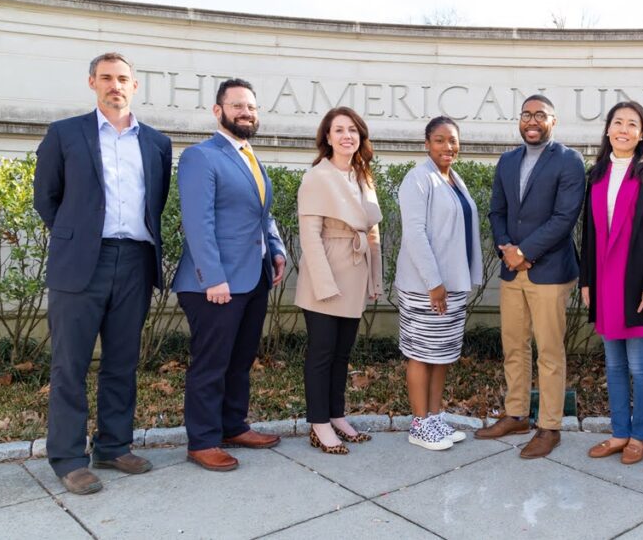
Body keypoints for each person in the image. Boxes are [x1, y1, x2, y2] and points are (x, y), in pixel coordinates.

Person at [33, 52, 172, 494]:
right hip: (80, 264)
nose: (116, 85)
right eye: (107, 78)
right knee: (70, 365)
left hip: (134, 260)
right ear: (92, 82)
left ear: (135, 86)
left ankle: (113, 446)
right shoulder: (65, 134)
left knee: (122, 362)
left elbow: (157, 200)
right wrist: (78, 236)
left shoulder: (155, 143)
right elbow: (46, 197)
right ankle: (69, 458)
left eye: (124, 79)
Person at [172, 78, 288, 471]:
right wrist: (212, 278)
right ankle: (202, 441)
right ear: (218, 110)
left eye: (251, 107)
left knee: (240, 359)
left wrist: (276, 250)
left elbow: (262, 214)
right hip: (214, 283)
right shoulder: (201, 156)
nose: (246, 112)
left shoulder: (249, 156)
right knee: (211, 362)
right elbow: (197, 222)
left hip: (252, 277)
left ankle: (233, 424)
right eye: (237, 105)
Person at [475, 94, 586, 459]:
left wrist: (526, 252)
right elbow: (498, 212)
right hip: (512, 270)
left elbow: (564, 217)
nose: (532, 121)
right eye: (526, 114)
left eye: (540, 115)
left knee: (549, 352)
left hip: (549, 271)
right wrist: (508, 249)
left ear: (553, 121)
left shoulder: (569, 161)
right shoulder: (507, 161)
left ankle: (550, 426)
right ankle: (517, 414)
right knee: (514, 346)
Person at [579, 102, 643, 465]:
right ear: (607, 130)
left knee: (639, 364)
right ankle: (619, 432)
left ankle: (641, 434)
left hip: (637, 283)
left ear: (642, 133)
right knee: (613, 364)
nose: (624, 129)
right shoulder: (597, 173)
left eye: (632, 124)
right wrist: (587, 281)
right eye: (618, 122)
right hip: (604, 280)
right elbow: (588, 232)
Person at [295, 106, 383, 455]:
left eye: (353, 130)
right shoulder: (317, 176)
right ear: (327, 138)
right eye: (339, 130)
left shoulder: (362, 175)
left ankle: (336, 415)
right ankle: (318, 424)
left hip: (356, 272)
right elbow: (310, 236)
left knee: (342, 354)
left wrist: (375, 281)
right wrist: (324, 283)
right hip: (327, 273)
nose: (347, 135)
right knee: (321, 352)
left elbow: (373, 233)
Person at [395, 116, 482, 451]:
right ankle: (419, 424)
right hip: (426, 286)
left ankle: (433, 417)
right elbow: (414, 234)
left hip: (452, 284)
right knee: (420, 353)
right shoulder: (417, 179)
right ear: (427, 143)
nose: (448, 146)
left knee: (442, 354)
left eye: (453, 140)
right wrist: (434, 282)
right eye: (440, 140)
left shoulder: (453, 179)